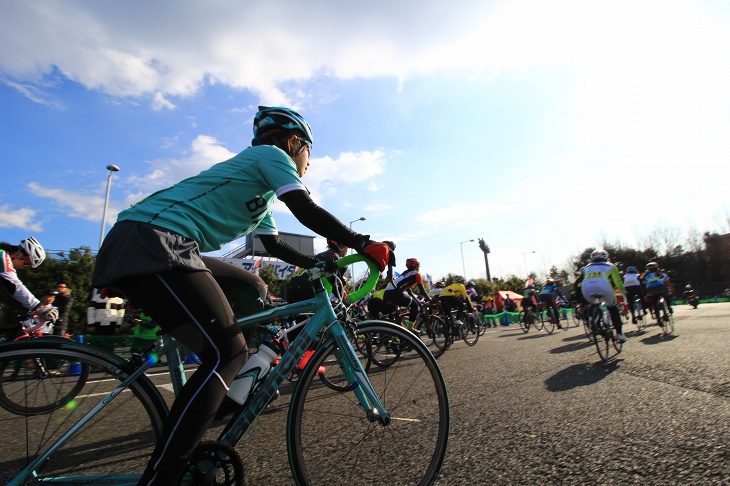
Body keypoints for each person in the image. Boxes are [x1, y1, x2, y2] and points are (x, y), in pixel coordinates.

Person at [91, 106, 393, 485]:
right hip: (156, 239)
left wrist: (317, 263)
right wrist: (363, 243)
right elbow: (304, 207)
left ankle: (231, 386)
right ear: (294, 142)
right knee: (225, 351)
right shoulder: (271, 156)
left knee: (253, 286)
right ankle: (164, 477)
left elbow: (273, 244)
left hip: (159, 241)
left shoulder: (261, 191)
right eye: (309, 153)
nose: (308, 163)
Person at [0, 237, 58, 325]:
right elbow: (15, 285)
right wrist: (39, 307)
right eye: (25, 264)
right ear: (20, 254)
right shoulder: (2, 256)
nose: (22, 268)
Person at [574, 249, 628, 342]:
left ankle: (593, 320)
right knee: (613, 308)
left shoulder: (586, 267)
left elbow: (578, 282)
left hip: (586, 288)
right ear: (606, 257)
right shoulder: (611, 266)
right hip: (604, 286)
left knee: (595, 304)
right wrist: (624, 292)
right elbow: (618, 282)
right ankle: (619, 334)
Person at [383, 258, 431, 323]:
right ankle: (410, 329)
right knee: (414, 306)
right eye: (418, 266)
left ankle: (396, 329)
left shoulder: (404, 274)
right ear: (416, 266)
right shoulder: (417, 274)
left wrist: (417, 301)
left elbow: (409, 292)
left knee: (397, 319)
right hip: (395, 293)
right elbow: (422, 290)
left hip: (386, 294)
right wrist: (429, 299)